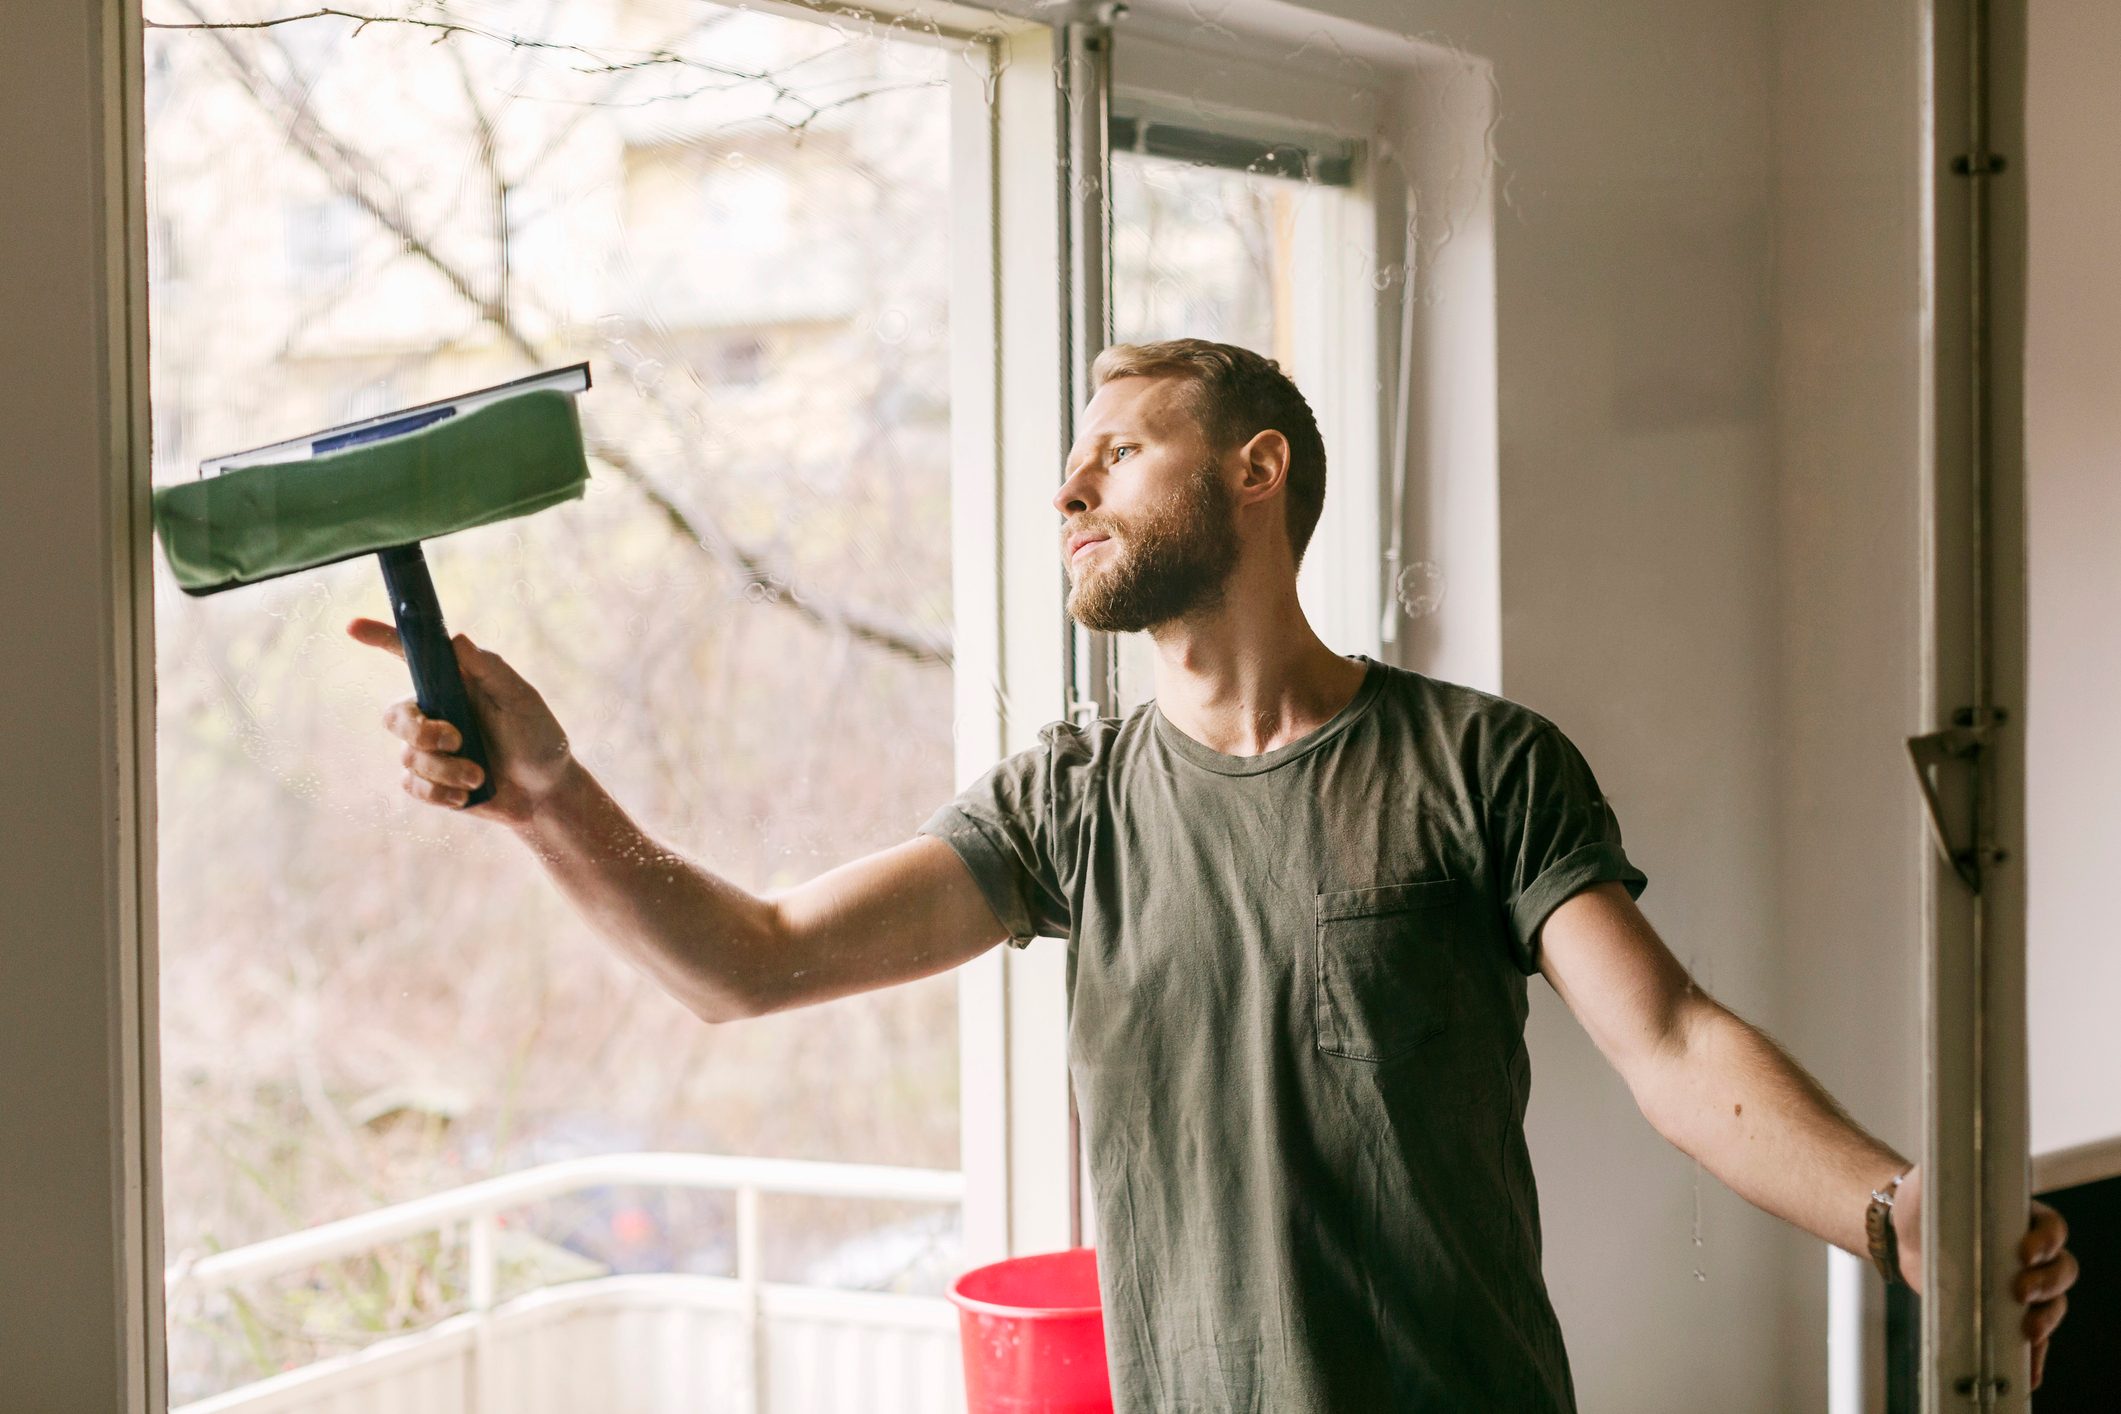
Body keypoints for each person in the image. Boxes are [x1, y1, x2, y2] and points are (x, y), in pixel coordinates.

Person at [352, 338, 2076, 1410]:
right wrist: (552, 796)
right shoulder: (1071, 806)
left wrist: (1885, 1205)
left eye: (1118, 447)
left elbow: (1670, 1040)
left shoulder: (1480, 763)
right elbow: (757, 957)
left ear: (1256, 474)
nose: (1067, 484)